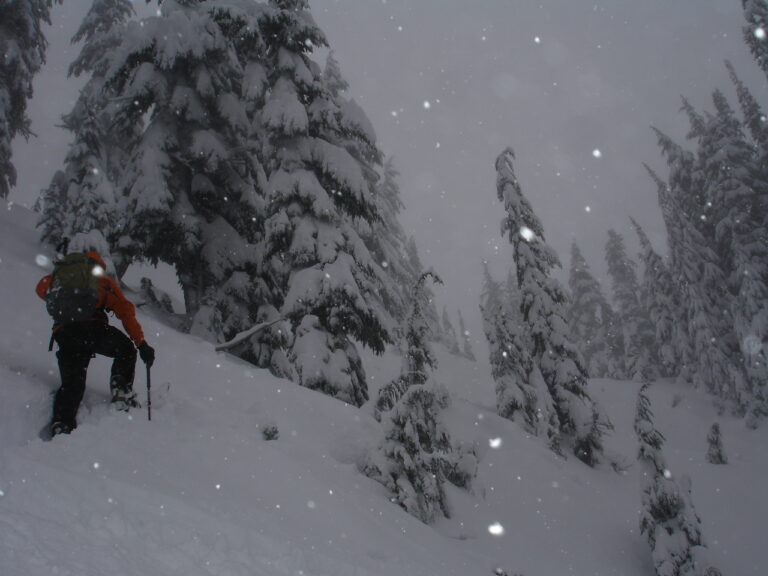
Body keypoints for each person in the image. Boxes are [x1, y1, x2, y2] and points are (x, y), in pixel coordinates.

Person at [36, 251, 155, 436]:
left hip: (65, 334)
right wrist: (142, 344)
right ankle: (121, 390)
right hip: (93, 330)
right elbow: (125, 312)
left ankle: (62, 423)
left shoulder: (59, 279)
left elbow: (40, 289)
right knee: (126, 350)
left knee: (72, 384)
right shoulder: (103, 282)